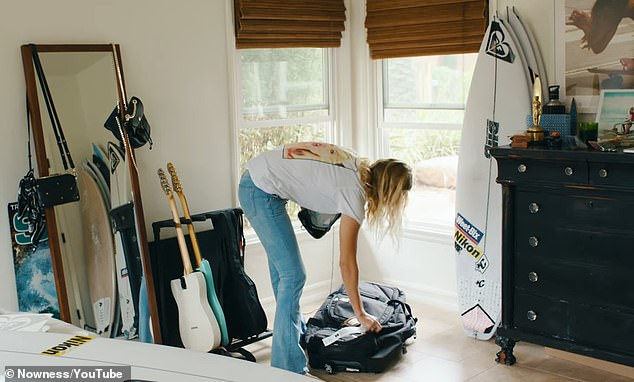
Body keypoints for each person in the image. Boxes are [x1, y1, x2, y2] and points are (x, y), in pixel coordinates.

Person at [238, 142, 412, 375]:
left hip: (260, 182)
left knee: (284, 275)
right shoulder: (353, 193)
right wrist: (360, 314)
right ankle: (288, 371)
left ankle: (293, 339)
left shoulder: (355, 167)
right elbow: (347, 263)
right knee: (293, 275)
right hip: (259, 190)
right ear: (388, 190)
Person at [566, 0, 634, 54]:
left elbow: (598, 46)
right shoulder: (609, 7)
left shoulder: (610, 8)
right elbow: (598, 47)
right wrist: (587, 29)